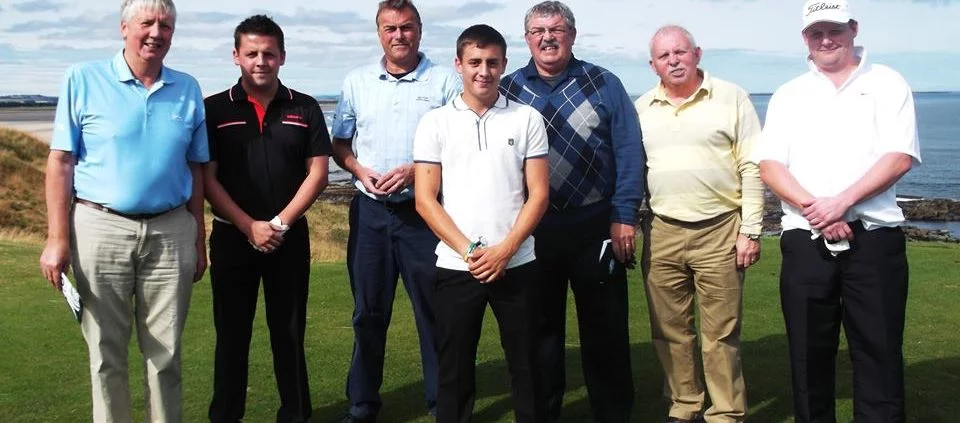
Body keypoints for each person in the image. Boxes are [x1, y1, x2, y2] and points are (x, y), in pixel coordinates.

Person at [38, 0, 207, 421]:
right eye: (146, 22)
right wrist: (57, 240)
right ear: (123, 28)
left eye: (165, 25)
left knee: (166, 356)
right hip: (99, 227)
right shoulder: (83, 78)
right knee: (105, 354)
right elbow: (60, 163)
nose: (156, 32)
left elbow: (195, 168)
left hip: (171, 233)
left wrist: (199, 238)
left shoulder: (187, 88)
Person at [754, 1, 920, 421]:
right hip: (805, 241)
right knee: (808, 355)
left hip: (874, 239)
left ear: (853, 29)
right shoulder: (790, 93)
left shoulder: (887, 82)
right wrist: (820, 212)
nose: (826, 39)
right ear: (805, 39)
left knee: (879, 352)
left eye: (834, 29)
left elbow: (899, 156)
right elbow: (770, 165)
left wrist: (841, 203)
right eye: (816, 32)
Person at [499, 1, 645, 421]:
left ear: (572, 35)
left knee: (606, 331)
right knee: (540, 333)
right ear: (527, 38)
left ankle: (613, 414)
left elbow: (630, 152)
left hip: (595, 223)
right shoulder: (507, 89)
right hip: (533, 228)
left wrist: (624, 215)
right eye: (539, 30)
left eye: (557, 29)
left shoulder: (604, 83)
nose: (548, 37)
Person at [330, 0, 461, 420]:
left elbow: (456, 144)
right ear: (379, 33)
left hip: (423, 215)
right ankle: (363, 403)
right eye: (390, 28)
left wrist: (415, 171)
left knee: (432, 313)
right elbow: (340, 143)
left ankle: (443, 402)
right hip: (370, 214)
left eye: (406, 27)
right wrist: (357, 168)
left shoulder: (444, 81)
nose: (399, 35)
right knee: (368, 312)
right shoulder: (356, 81)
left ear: (419, 31)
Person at [413, 24, 550, 423]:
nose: (483, 71)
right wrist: (472, 251)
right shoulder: (435, 122)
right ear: (459, 64)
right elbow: (425, 199)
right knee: (453, 372)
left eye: (492, 63)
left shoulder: (527, 118)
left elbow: (538, 194)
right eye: (474, 62)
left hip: (517, 262)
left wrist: (505, 250)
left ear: (504, 65)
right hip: (459, 266)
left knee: (527, 367)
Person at [203, 15, 331, 423]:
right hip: (231, 238)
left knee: (289, 334)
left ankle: (295, 416)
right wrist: (248, 226)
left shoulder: (305, 107)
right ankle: (226, 416)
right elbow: (206, 177)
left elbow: (318, 173)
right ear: (236, 56)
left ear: (282, 57)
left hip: (288, 239)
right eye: (252, 53)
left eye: (269, 54)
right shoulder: (214, 109)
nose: (261, 61)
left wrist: (278, 224)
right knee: (232, 336)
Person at [634, 25, 762, 423]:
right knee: (669, 331)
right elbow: (633, 171)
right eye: (664, 55)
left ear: (697, 53)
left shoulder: (732, 97)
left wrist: (751, 229)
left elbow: (752, 165)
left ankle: (725, 412)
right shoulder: (641, 108)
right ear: (653, 64)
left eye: (680, 52)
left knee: (720, 334)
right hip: (663, 230)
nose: (673, 60)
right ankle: (684, 405)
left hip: (720, 229)